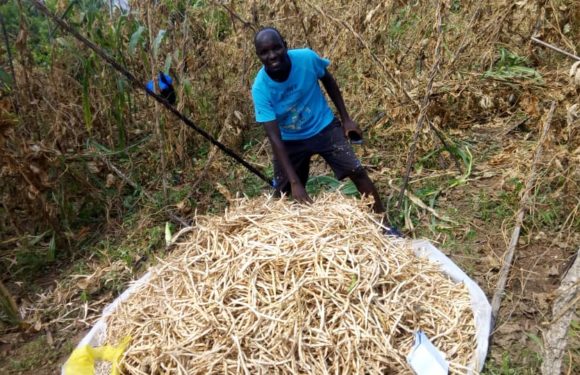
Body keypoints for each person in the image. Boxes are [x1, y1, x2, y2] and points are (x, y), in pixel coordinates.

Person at [251, 27, 385, 213]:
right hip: (289, 139)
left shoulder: (306, 58)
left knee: (357, 172)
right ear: (258, 55)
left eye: (276, 48)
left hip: (323, 127)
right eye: (264, 52)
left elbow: (328, 80)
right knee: (282, 192)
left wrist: (346, 119)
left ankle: (385, 226)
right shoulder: (260, 89)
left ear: (285, 46)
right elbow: (274, 138)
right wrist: (295, 181)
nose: (272, 55)